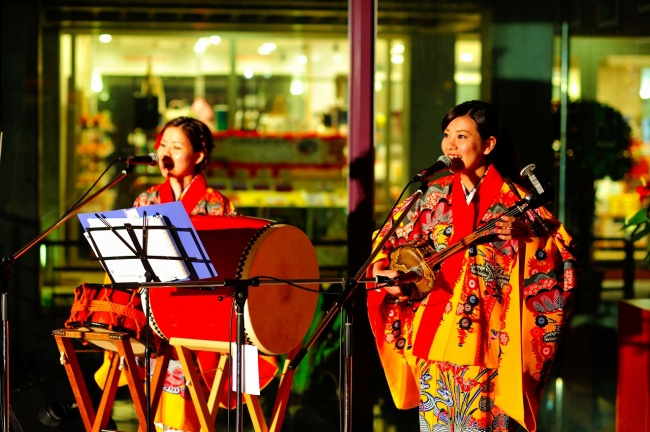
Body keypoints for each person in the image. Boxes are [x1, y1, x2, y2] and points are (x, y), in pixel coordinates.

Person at [368, 101, 579, 432]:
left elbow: (560, 251)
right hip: (432, 335)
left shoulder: (516, 201)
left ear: (489, 144)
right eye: (447, 135)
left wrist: (529, 238)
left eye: (462, 136)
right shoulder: (430, 196)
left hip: (487, 341)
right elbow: (385, 241)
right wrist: (387, 273)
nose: (450, 145)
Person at [95, 117, 276, 432]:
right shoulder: (146, 199)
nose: (166, 152)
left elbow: (229, 265)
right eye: (163, 145)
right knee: (148, 402)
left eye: (176, 147)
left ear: (199, 156)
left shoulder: (217, 205)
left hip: (198, 312)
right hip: (152, 309)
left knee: (188, 410)